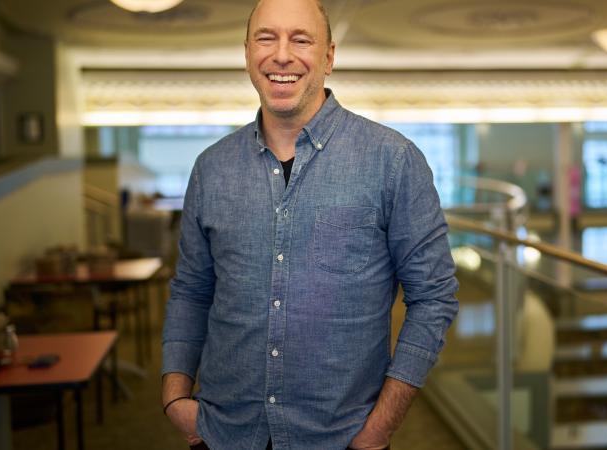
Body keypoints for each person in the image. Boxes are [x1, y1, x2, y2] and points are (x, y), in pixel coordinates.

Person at [160, 0, 459, 448]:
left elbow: (434, 297)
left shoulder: (393, 161)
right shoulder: (210, 169)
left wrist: (380, 428)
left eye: (301, 39)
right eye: (266, 38)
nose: (282, 55)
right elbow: (191, 291)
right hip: (224, 434)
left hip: (342, 438)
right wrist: (174, 399)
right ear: (247, 53)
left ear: (329, 57)